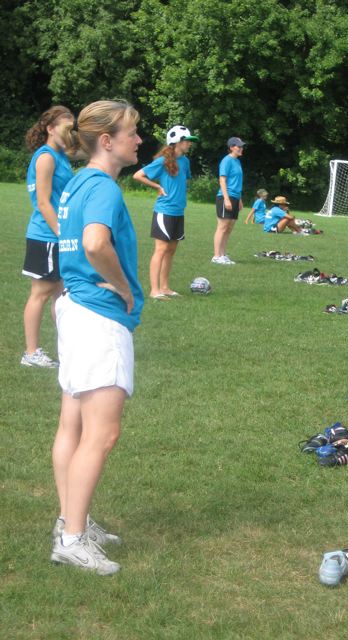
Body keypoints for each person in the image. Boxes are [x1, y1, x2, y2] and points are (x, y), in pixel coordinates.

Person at [50, 100, 144, 575]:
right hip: (98, 317)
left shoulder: (77, 184)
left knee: (73, 425)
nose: (139, 140)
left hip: (74, 309)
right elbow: (93, 243)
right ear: (106, 141)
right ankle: (71, 539)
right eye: (132, 132)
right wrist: (126, 286)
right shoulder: (102, 186)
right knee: (101, 433)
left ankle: (73, 520)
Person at [21, 106, 75, 367]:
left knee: (60, 293)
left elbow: (89, 148)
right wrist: (62, 234)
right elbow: (43, 202)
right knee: (41, 293)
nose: (70, 131)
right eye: (66, 126)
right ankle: (31, 353)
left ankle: (69, 348)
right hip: (46, 236)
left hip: (56, 235)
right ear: (50, 128)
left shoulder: (61, 154)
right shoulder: (46, 158)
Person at [133, 125, 198, 299]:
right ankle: (155, 290)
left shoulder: (185, 161)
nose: (190, 144)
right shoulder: (162, 161)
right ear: (177, 142)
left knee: (171, 250)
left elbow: (185, 180)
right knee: (161, 249)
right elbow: (138, 175)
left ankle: (165, 287)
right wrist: (157, 186)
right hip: (164, 211)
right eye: (187, 141)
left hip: (178, 212)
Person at [212, 136, 245, 265]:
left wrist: (239, 199)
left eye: (242, 146)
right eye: (239, 146)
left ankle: (223, 255)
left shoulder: (237, 161)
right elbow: (222, 180)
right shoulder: (226, 161)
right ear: (231, 147)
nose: (241, 148)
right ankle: (216, 256)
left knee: (229, 228)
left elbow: (238, 182)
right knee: (222, 227)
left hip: (235, 197)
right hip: (226, 197)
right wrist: (226, 199)